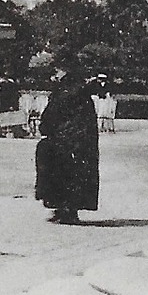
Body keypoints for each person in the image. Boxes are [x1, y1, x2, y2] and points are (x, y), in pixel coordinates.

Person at [35, 68, 100, 224]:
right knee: (75, 175)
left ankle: (65, 210)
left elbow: (52, 114)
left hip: (63, 139)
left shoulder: (64, 92)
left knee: (60, 174)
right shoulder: (79, 92)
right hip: (79, 142)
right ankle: (68, 209)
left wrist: (45, 128)